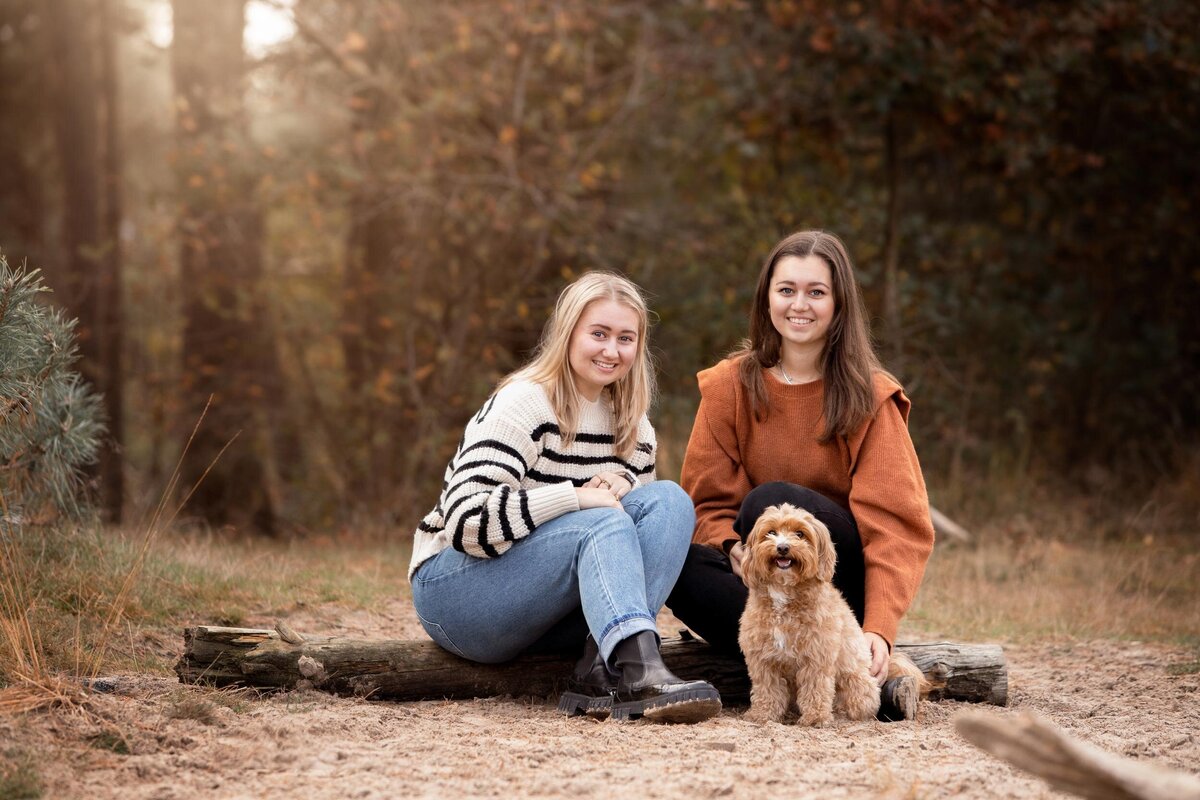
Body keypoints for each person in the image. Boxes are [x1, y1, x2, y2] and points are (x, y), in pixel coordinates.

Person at [409, 271, 721, 724]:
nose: (612, 351)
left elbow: (635, 541)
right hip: (459, 598)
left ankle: (604, 668)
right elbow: (464, 523)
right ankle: (636, 668)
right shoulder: (525, 403)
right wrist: (574, 498)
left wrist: (626, 486)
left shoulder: (634, 427)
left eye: (625, 338)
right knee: (603, 521)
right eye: (598, 334)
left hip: (554, 615)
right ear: (568, 332)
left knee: (669, 501)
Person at [667, 230, 935, 712]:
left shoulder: (869, 396)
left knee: (762, 501)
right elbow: (705, 502)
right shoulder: (730, 385)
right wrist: (732, 547)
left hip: (836, 579)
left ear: (839, 304)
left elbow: (896, 527)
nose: (800, 305)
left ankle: (852, 652)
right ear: (767, 298)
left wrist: (879, 628)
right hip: (760, 581)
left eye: (817, 292)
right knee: (677, 565)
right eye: (786, 290)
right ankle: (788, 665)